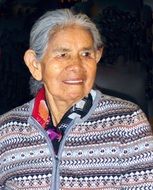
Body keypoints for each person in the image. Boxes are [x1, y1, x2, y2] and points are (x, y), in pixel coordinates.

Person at [0, 9, 153, 190]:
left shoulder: (127, 124)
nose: (76, 66)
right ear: (35, 64)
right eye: (63, 55)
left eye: (86, 54)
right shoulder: (7, 130)